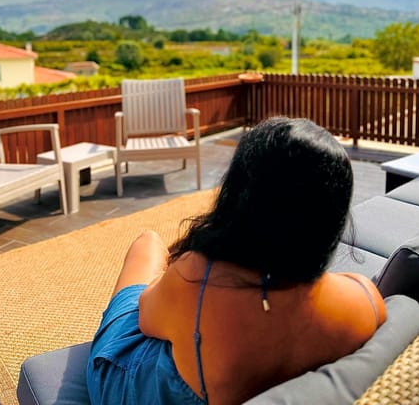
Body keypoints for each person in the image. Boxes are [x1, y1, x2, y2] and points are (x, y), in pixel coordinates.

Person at [87, 117, 386, 405]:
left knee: (148, 243)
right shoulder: (366, 302)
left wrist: (178, 272)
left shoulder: (195, 281)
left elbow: (145, 318)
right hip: (211, 363)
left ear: (240, 195)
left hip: (132, 384)